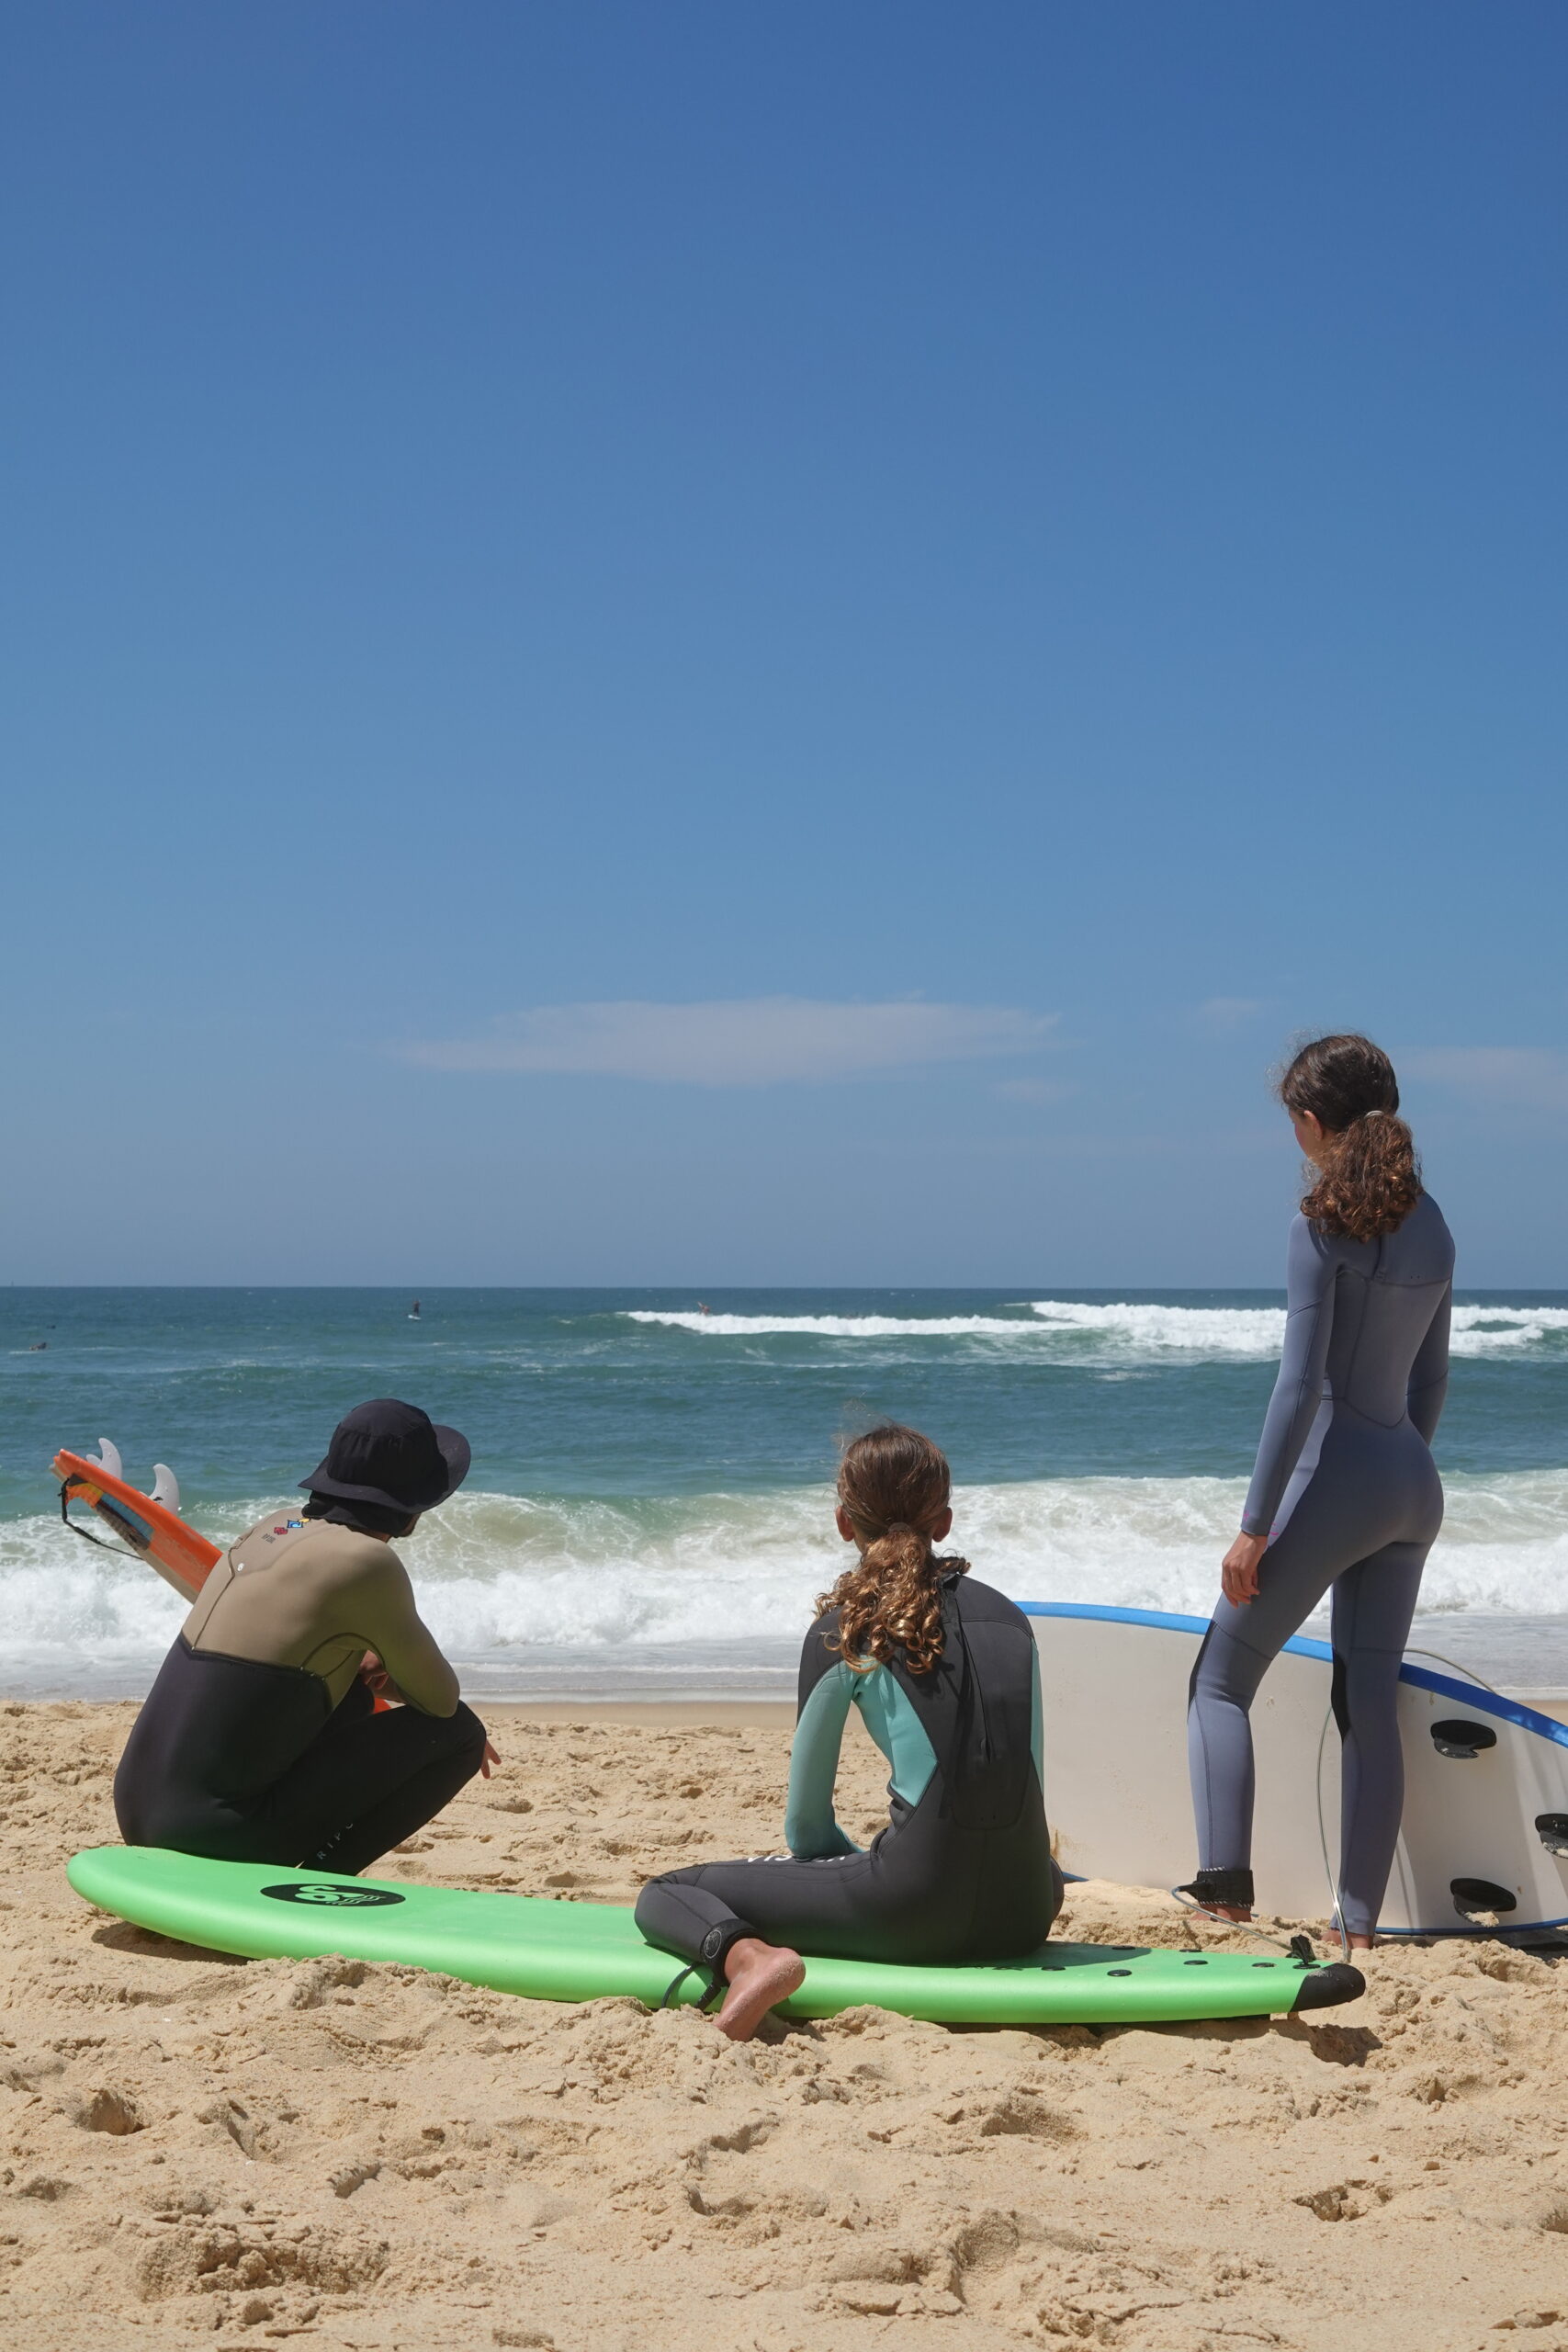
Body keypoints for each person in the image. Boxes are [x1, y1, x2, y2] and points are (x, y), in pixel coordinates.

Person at [635, 1424, 1061, 2041]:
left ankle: (752, 1961)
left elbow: (805, 1828)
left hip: (911, 1912)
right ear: (943, 1521)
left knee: (668, 1893)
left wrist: (856, 1874)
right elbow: (1028, 1791)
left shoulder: (846, 1627)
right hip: (1026, 1910)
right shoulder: (1012, 1620)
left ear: (842, 1522)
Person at [1185, 1035, 1454, 1950]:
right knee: (1364, 1699)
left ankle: (1223, 1890)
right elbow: (1430, 1385)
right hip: (1413, 1486)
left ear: (1312, 1123)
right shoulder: (1437, 1226)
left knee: (1219, 1682)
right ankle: (1361, 1919)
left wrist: (1254, 1528)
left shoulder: (1319, 1229)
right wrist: (1396, 1471)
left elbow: (1299, 1389)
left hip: (1337, 1477)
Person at [115, 1399, 491, 1875]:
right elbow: (441, 1703)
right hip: (211, 1834)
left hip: (140, 1812)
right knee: (459, 1734)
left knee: (348, 1694)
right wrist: (397, 1679)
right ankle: (316, 1884)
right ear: (415, 1507)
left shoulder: (279, 1523)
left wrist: (364, 1663)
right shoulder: (366, 1562)